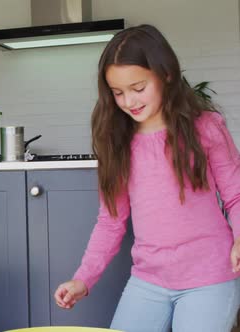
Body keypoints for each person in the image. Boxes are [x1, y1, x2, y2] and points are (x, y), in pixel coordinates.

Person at [54, 24, 240, 332]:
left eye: (138, 88)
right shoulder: (118, 142)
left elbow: (236, 194)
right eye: (117, 93)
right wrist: (82, 279)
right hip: (148, 281)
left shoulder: (206, 127)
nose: (129, 101)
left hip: (209, 278)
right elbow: (111, 221)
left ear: (165, 74)